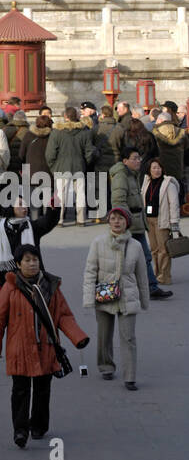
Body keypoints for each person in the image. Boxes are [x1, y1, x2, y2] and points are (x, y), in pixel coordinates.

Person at [0, 243, 89, 446]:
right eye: (27, 260)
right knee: (20, 390)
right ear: (18, 264)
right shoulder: (11, 287)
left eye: (35, 260)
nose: (32, 264)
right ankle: (20, 430)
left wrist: (78, 337)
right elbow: (0, 318)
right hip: (19, 348)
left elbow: (63, 315)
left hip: (46, 347)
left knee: (43, 389)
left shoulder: (51, 285)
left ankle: (39, 426)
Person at [83, 206, 149, 388]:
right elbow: (90, 272)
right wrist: (88, 298)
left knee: (128, 337)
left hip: (127, 296)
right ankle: (106, 367)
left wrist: (144, 300)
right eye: (113, 218)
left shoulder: (135, 246)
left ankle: (130, 377)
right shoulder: (98, 242)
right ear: (108, 221)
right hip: (104, 293)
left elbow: (142, 276)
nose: (116, 222)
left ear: (127, 222)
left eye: (120, 218)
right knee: (104, 335)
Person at [109, 149, 171, 300]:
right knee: (137, 257)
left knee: (140, 257)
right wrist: (125, 223)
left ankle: (149, 287)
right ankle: (145, 288)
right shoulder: (121, 176)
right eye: (135, 158)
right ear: (125, 161)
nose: (139, 161)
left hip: (136, 222)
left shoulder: (132, 175)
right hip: (130, 224)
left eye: (139, 158)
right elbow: (119, 201)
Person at [0, 197, 60, 298]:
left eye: (25, 204)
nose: (25, 207)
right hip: (8, 288)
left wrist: (53, 208)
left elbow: (48, 222)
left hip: (34, 285)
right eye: (20, 204)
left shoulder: (31, 227)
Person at [45, 106, 97, 226]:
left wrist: (53, 167)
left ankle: (60, 219)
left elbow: (50, 153)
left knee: (61, 194)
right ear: (77, 117)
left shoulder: (57, 132)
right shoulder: (85, 132)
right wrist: (85, 162)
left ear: (65, 117)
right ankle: (81, 219)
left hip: (61, 166)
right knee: (80, 193)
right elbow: (89, 151)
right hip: (79, 165)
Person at [140, 158, 182, 288]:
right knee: (153, 249)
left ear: (162, 169)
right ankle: (156, 273)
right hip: (149, 220)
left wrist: (174, 224)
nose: (156, 170)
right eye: (154, 168)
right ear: (149, 170)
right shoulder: (146, 182)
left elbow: (174, 205)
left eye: (158, 168)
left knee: (164, 250)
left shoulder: (168, 184)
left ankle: (165, 276)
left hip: (162, 220)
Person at [19, 113, 53, 216]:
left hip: (31, 172)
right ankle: (47, 220)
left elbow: (21, 154)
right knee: (47, 200)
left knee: (34, 201)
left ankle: (35, 220)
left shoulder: (29, 135)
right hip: (49, 172)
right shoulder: (53, 135)